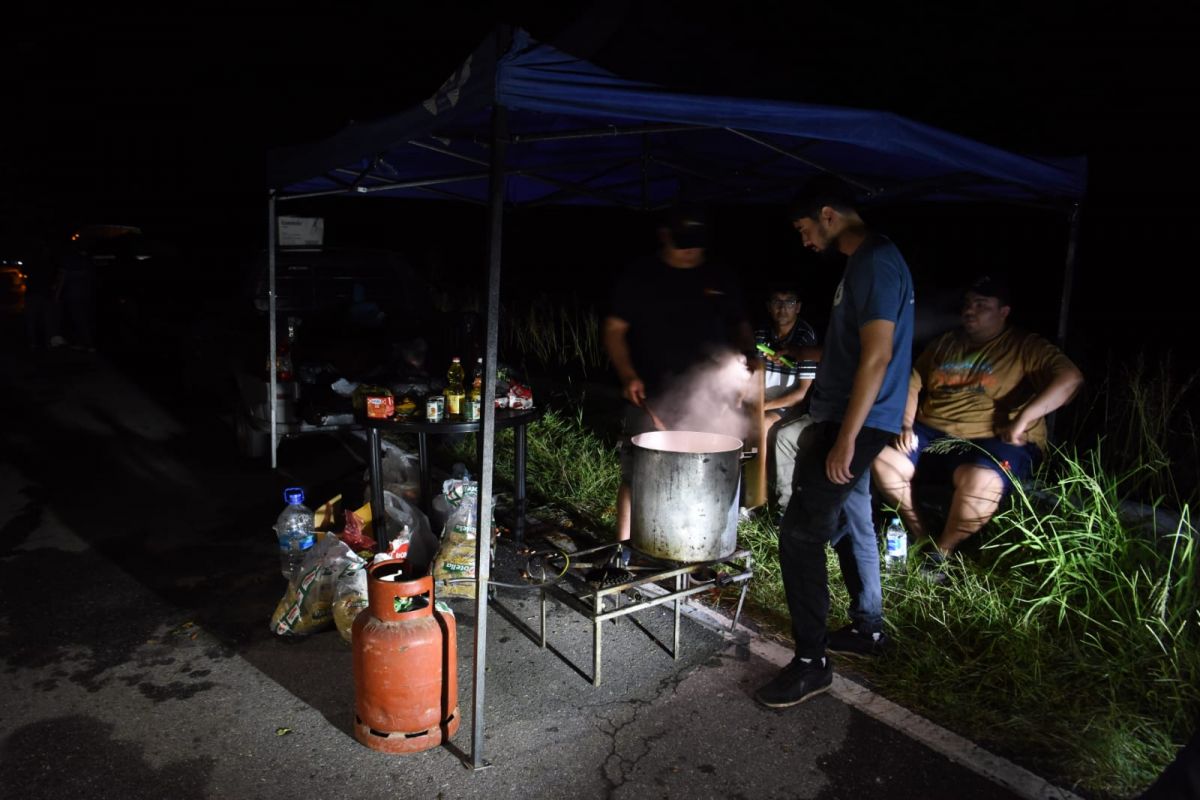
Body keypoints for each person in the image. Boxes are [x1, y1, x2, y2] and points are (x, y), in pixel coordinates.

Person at [755, 175, 915, 708]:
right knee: (853, 520)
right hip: (851, 418)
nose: (804, 241)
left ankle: (810, 662)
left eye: (804, 229)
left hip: (854, 423)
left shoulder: (874, 260)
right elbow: (853, 352)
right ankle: (868, 629)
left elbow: (878, 355)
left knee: (800, 535)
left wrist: (846, 438)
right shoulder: (867, 262)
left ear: (827, 215)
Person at [871, 274, 1084, 580]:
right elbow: (911, 383)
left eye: (981, 304)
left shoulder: (1024, 345)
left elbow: (1070, 379)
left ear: (1003, 311)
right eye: (968, 303)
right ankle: (919, 534)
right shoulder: (945, 343)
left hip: (991, 439)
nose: (970, 310)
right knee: (881, 457)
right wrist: (905, 424)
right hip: (932, 434)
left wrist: (1024, 419)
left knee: (979, 479)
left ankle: (941, 553)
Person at [603, 206, 754, 542]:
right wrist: (628, 375)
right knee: (638, 472)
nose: (690, 250)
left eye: (696, 243)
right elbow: (614, 329)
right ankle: (624, 548)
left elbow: (740, 324)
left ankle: (694, 544)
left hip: (709, 399)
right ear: (664, 236)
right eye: (682, 242)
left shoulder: (719, 275)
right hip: (651, 394)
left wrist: (749, 352)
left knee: (702, 473)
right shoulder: (642, 276)